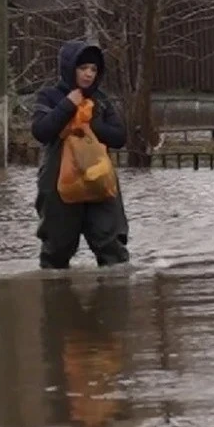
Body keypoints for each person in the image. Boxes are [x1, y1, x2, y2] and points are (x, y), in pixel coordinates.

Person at [31, 40, 129, 268]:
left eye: (93, 69)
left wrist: (92, 125)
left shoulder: (101, 101)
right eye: (83, 68)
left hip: (99, 178)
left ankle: (114, 298)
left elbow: (119, 138)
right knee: (57, 246)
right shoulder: (49, 96)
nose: (88, 74)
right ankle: (58, 298)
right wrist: (68, 105)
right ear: (69, 68)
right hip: (59, 181)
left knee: (111, 245)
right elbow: (41, 131)